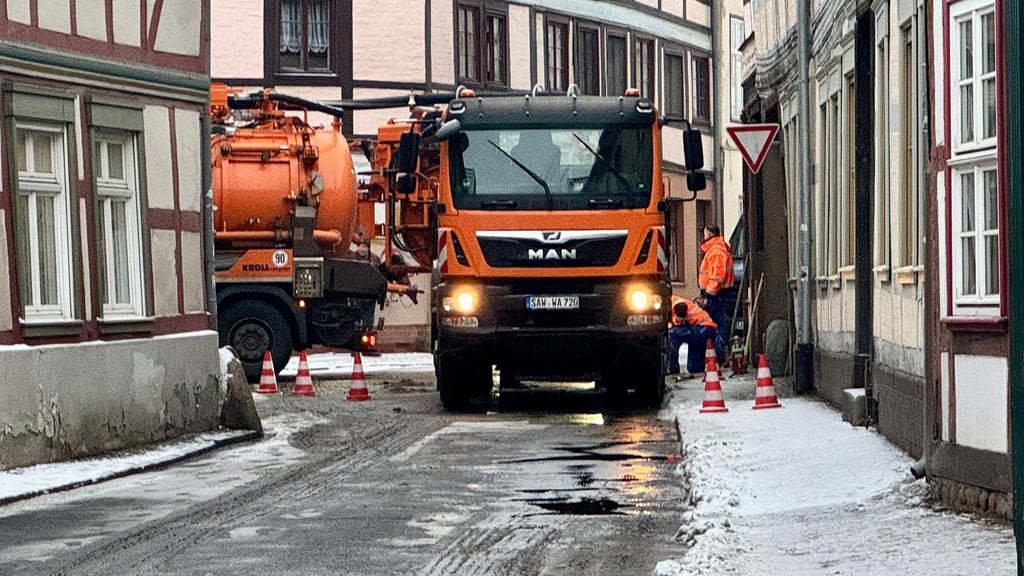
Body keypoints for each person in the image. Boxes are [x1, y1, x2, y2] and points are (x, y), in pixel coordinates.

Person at [698, 224, 735, 360]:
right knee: (718, 322)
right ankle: (717, 352)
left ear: (709, 234)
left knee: (717, 323)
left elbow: (717, 277)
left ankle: (718, 353)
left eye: (705, 233)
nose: (703, 236)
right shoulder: (717, 250)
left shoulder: (716, 252)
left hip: (717, 294)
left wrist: (708, 294)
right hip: (718, 293)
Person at [667, 296, 719, 376]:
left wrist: (678, 321)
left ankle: (672, 368)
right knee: (693, 368)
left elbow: (680, 313)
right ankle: (697, 367)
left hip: (704, 329)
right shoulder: (674, 303)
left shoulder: (675, 304)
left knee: (672, 334)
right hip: (706, 330)